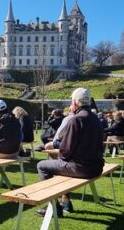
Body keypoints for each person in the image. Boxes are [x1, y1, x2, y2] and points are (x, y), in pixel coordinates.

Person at [36, 87, 104, 217]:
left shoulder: (76, 119)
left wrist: (61, 157)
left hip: (81, 168)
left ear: (75, 102)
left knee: (42, 166)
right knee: (61, 166)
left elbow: (66, 150)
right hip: (96, 167)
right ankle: (65, 202)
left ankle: (54, 207)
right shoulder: (95, 118)